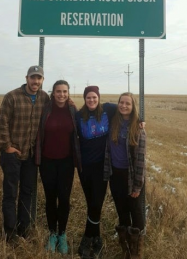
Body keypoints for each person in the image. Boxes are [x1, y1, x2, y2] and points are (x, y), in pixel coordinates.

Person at [0, 65, 50, 244]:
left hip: (31, 155)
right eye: (33, 77)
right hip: (12, 155)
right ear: (26, 78)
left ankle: (24, 230)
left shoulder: (44, 97)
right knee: (10, 194)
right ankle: (10, 234)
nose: (36, 81)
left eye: (39, 78)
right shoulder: (12, 96)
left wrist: (71, 104)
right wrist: (7, 147)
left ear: (42, 80)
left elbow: (58, 110)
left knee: (27, 192)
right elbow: (2, 123)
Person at [35, 80, 81, 254]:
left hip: (66, 163)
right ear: (53, 93)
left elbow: (86, 120)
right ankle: (52, 233)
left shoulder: (72, 110)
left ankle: (62, 234)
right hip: (47, 162)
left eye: (64, 91)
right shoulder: (45, 109)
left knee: (64, 199)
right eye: (58, 91)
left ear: (68, 93)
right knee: (50, 198)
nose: (61, 94)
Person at [75, 86, 117, 259]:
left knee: (96, 203)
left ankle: (88, 238)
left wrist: (140, 120)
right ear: (84, 99)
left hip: (102, 166)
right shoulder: (78, 115)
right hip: (84, 167)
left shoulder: (108, 110)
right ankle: (96, 237)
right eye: (88, 98)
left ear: (99, 98)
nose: (91, 100)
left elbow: (128, 108)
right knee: (91, 202)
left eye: (94, 97)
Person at [104, 92, 146, 259]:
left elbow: (141, 161)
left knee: (135, 212)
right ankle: (126, 249)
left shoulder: (138, 128)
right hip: (116, 175)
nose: (123, 106)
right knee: (121, 211)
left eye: (128, 104)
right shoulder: (114, 121)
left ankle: (136, 252)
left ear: (133, 106)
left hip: (132, 176)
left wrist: (137, 185)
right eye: (121, 103)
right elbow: (105, 105)